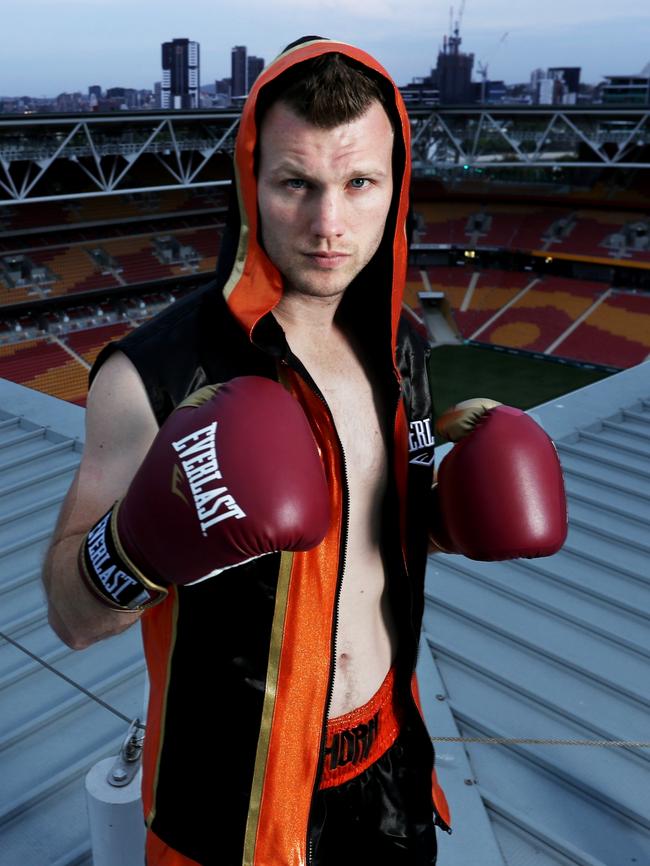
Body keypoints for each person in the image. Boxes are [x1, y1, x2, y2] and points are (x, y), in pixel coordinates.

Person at [42, 36, 565, 866]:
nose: (329, 226)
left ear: (394, 191)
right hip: (231, 802)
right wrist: (140, 542)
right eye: (297, 184)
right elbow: (71, 617)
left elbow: (371, 540)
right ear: (252, 186)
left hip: (392, 767)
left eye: (359, 184)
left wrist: (450, 513)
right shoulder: (157, 375)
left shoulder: (401, 348)